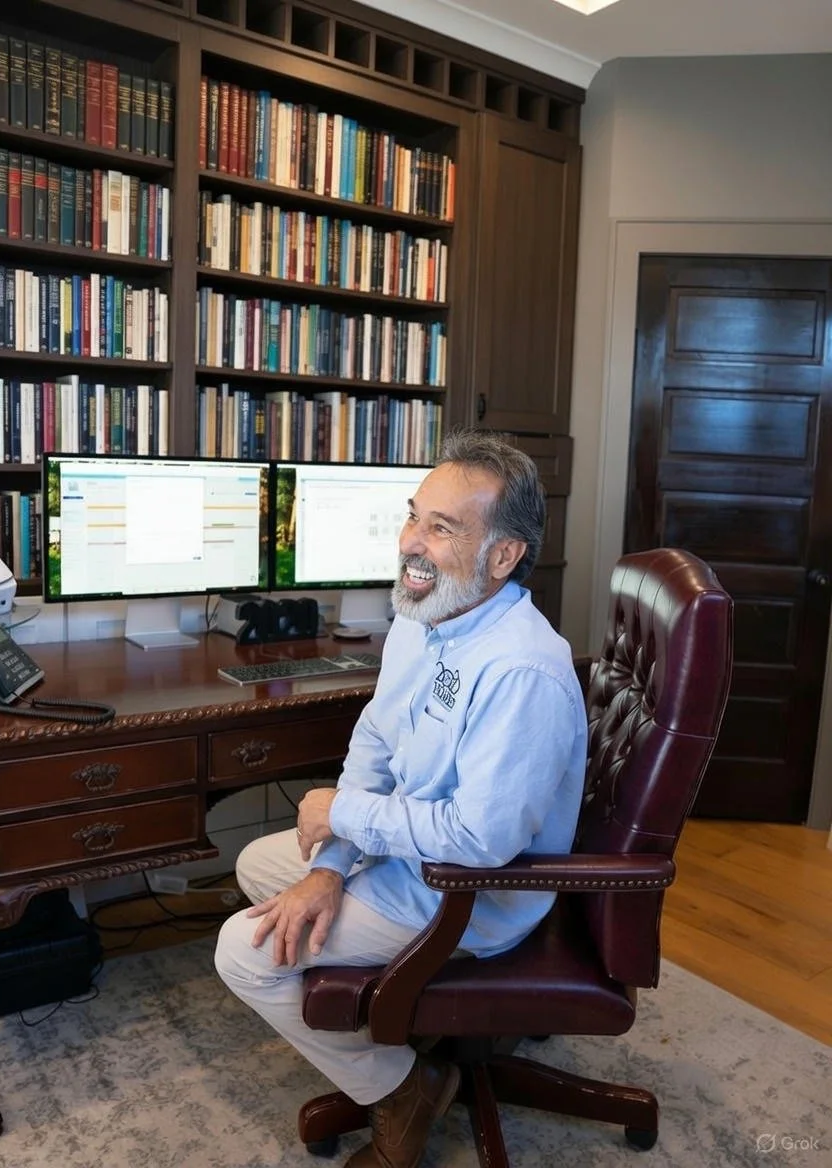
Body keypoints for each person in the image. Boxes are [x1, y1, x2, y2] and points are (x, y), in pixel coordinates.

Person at [214, 428, 588, 1168]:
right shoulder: (427, 619)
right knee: (267, 865)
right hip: (411, 861)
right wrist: (329, 867)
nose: (411, 542)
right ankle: (403, 1022)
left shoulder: (523, 671)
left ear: (503, 556)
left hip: (471, 894)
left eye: (442, 528)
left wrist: (342, 818)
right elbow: (377, 745)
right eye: (414, 515)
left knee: (244, 954)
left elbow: (481, 841)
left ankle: (404, 1087)